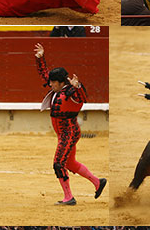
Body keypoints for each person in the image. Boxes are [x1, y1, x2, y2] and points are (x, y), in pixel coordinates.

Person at [34, 44, 107, 206]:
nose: (50, 85)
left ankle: (69, 197)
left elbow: (82, 98)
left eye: (53, 83)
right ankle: (97, 182)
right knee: (70, 163)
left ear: (62, 83)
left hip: (69, 133)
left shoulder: (72, 93)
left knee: (58, 164)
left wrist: (78, 86)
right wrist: (40, 58)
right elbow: (44, 74)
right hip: (63, 133)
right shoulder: (58, 87)